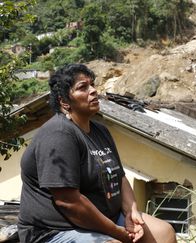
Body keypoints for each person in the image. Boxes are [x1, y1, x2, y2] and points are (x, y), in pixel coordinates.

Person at [18, 64, 177, 243]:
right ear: (64, 101)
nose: (93, 91)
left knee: (164, 233)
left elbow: (120, 177)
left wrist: (131, 212)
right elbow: (69, 203)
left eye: (92, 84)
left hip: (106, 218)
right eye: (82, 87)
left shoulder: (100, 131)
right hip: (55, 231)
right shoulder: (59, 134)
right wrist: (116, 232)